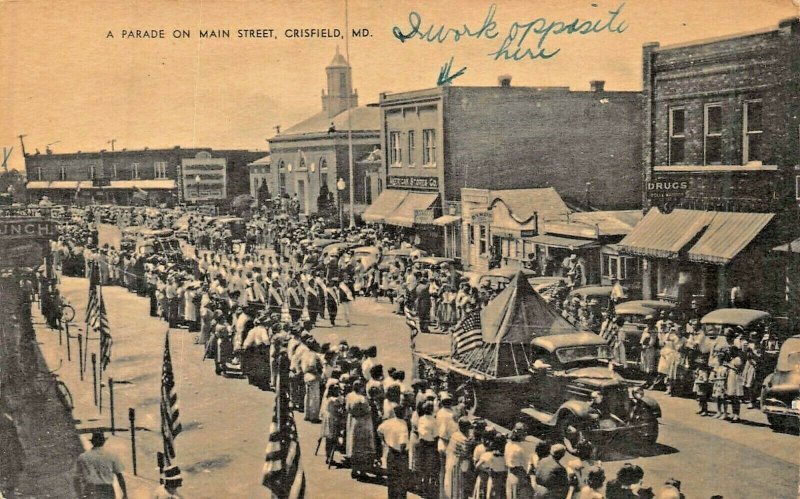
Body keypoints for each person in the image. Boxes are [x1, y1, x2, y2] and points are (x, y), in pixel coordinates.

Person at [74, 431, 128, 499]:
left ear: (92, 442)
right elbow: (119, 476)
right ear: (103, 442)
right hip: (107, 490)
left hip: (90, 490)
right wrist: (125, 493)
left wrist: (79, 495)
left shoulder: (83, 457)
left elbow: (76, 478)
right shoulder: (112, 456)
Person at [378, 406, 410, 499]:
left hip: (390, 452)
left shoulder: (388, 422)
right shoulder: (403, 424)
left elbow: (379, 430)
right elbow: (403, 443)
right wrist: (403, 454)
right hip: (400, 454)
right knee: (401, 481)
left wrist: (384, 441)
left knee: (391, 480)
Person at [443, 418, 473, 499]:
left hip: (450, 461)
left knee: (451, 484)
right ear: (464, 428)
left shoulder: (454, 435)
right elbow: (466, 454)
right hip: (458, 464)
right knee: (458, 486)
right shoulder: (463, 440)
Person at [504, 423, 534, 499]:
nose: (525, 434)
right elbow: (526, 465)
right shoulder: (521, 448)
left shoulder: (508, 444)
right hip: (519, 475)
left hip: (510, 474)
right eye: (524, 433)